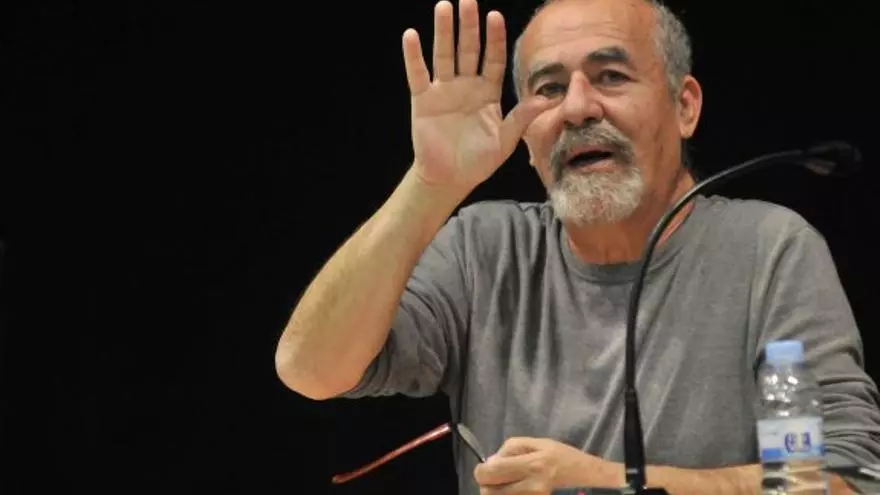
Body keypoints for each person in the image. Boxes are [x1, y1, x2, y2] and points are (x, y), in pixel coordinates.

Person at [275, 0, 880, 493]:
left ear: (684, 105)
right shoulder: (485, 252)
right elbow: (311, 370)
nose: (578, 108)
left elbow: (837, 482)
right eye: (548, 88)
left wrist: (613, 483)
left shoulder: (768, 254)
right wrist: (430, 187)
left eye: (611, 76)